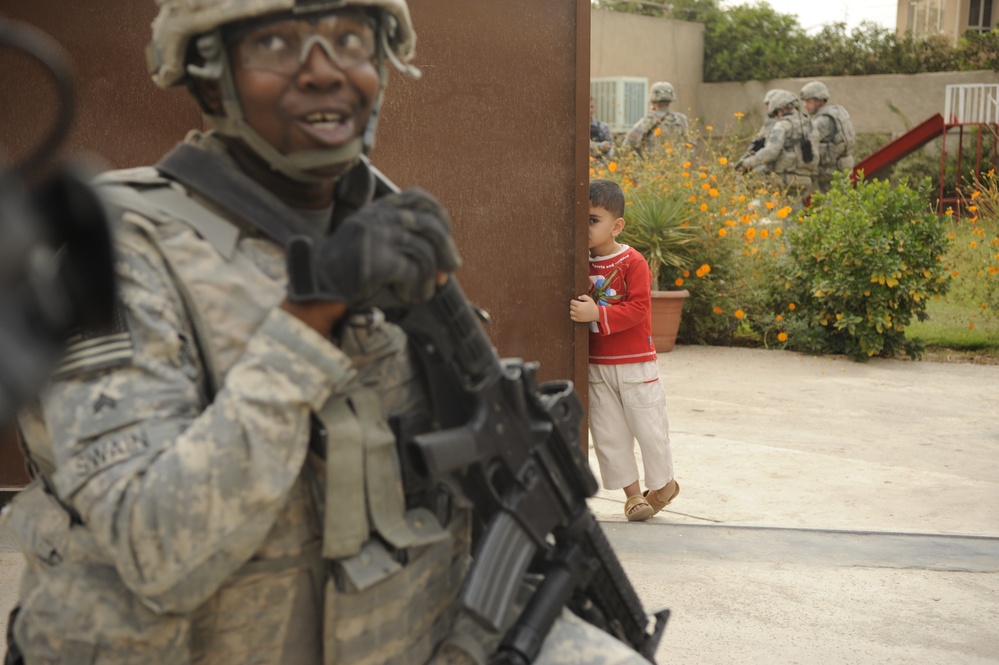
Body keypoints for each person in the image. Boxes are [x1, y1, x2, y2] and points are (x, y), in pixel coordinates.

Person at [0, 1, 649, 664]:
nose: (323, 72)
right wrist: (312, 315)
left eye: (349, 41)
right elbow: (157, 548)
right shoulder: (115, 251)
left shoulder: (380, 226)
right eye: (277, 44)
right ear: (207, 76)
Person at [568, 179, 679, 523]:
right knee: (609, 434)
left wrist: (597, 313)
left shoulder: (633, 262)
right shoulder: (578, 264)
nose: (585, 227)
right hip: (597, 365)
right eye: (580, 219)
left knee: (648, 428)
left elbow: (638, 310)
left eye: (593, 220)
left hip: (635, 365)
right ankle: (633, 496)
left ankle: (664, 485)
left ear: (616, 225)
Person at [736, 89, 819, 207]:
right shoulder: (810, 124)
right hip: (805, 179)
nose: (776, 117)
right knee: (795, 216)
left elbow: (771, 151)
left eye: (775, 113)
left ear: (782, 109)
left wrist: (746, 163)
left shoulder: (782, 125)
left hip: (784, 179)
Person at [800, 80, 856, 193]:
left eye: (808, 102)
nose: (805, 106)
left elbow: (805, 137)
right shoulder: (836, 111)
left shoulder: (823, 120)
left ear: (819, 101)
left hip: (830, 173)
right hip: (840, 169)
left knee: (832, 205)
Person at [624, 81, 688, 155]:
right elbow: (691, 143)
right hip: (675, 164)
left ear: (652, 100)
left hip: (653, 164)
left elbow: (629, 141)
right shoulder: (681, 119)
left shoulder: (649, 120)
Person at [589, 95, 614, 162]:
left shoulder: (603, 127)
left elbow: (611, 147)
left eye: (592, 107)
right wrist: (600, 146)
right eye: (587, 107)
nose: (590, 110)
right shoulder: (576, 129)